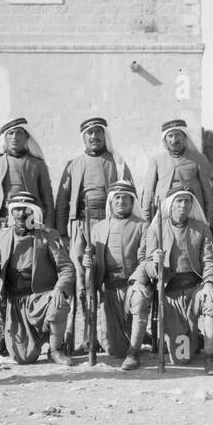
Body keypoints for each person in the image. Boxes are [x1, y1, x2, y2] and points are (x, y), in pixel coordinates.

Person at [55, 117, 133, 354]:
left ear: (104, 136)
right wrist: (62, 234)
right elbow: (61, 201)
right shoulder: (73, 165)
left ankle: (109, 335)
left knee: (105, 278)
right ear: (84, 137)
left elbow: (130, 196)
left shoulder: (117, 163)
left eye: (98, 133)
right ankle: (86, 338)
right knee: (82, 281)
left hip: (109, 225)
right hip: (80, 226)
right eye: (89, 133)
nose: (94, 137)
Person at [0, 192, 74, 367]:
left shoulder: (47, 236)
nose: (20, 214)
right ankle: (30, 337)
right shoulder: (2, 236)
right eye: (16, 210)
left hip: (38, 298)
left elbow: (66, 267)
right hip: (14, 303)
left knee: (58, 303)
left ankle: (55, 349)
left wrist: (59, 289)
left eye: (25, 210)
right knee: (23, 358)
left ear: (34, 213)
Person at [140, 189, 213, 374]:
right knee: (182, 358)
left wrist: (210, 284)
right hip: (170, 292)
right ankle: (194, 338)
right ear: (170, 204)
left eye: (187, 201)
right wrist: (156, 262)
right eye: (179, 201)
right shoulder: (156, 228)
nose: (183, 205)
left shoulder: (201, 228)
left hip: (196, 288)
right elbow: (147, 266)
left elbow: (210, 260)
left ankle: (210, 356)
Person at [81, 180, 152, 369]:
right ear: (111, 202)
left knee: (140, 299)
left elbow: (145, 259)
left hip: (132, 285)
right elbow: (94, 261)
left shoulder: (142, 226)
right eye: (117, 198)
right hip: (109, 290)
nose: (121, 201)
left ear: (132, 201)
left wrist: (137, 281)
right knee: (114, 349)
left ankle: (134, 353)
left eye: (125, 198)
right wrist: (89, 263)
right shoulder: (98, 228)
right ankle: (135, 338)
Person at [0, 117, 55, 234]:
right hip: (0, 223)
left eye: (19, 133)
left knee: (30, 252)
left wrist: (49, 229)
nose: (14, 137)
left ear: (26, 136)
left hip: (30, 224)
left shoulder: (38, 164)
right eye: (10, 133)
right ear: (5, 138)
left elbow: (48, 200)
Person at [140, 119, 213, 224]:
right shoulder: (157, 160)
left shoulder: (199, 158)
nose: (174, 140)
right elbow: (148, 192)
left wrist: (209, 221)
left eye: (178, 135)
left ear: (184, 137)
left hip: (192, 212)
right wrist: (146, 221)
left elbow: (208, 192)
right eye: (170, 136)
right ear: (165, 140)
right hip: (164, 213)